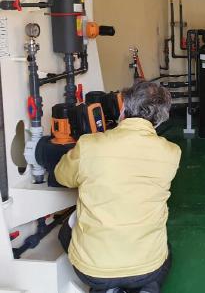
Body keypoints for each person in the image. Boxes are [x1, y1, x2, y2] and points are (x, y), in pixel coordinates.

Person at [55, 81, 181, 293]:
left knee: (64, 233)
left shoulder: (89, 145)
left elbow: (62, 177)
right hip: (146, 269)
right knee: (165, 250)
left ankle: (106, 288)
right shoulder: (172, 152)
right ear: (160, 119)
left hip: (94, 272)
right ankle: (147, 288)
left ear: (123, 108)